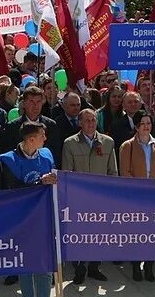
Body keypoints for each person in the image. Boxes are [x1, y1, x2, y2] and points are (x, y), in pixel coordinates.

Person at [0, 121, 58, 295]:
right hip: (21, 220)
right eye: (42, 136)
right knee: (26, 265)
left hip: (44, 217)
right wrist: (40, 181)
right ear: (31, 139)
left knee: (44, 265)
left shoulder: (46, 154)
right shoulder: (9, 159)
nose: (45, 138)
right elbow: (15, 188)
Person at [62, 108, 117, 284]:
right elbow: (67, 173)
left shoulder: (107, 142)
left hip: (101, 198)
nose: (91, 123)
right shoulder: (70, 143)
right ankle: (79, 268)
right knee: (80, 235)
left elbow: (112, 172)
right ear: (80, 123)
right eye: (87, 120)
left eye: (93, 120)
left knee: (98, 235)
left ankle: (94, 267)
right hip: (79, 198)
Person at [119, 109, 155, 282]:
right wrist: (141, 189)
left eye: (149, 123)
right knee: (136, 234)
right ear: (137, 127)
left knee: (152, 234)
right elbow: (125, 172)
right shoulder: (128, 146)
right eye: (143, 124)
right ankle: (135, 266)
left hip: (154, 198)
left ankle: (149, 266)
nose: (146, 127)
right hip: (136, 198)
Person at [2, 86, 61, 166]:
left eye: (38, 102)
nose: (35, 105)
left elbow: (56, 154)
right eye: (31, 101)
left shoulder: (51, 125)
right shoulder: (12, 127)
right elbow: (9, 156)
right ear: (24, 103)